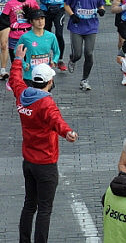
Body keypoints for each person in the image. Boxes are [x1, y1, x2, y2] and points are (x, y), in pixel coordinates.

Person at [11, 44, 77, 243]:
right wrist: (68, 132)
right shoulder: (46, 102)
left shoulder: (22, 94)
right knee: (45, 209)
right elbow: (56, 120)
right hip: (46, 163)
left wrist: (18, 59)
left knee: (29, 205)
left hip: (28, 161)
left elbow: (15, 80)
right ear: (50, 81)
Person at [64, 0, 106, 90]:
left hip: (91, 26)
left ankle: (84, 79)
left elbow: (100, 4)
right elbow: (66, 4)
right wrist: (72, 15)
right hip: (77, 26)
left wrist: (101, 10)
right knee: (78, 54)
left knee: (89, 53)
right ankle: (72, 59)